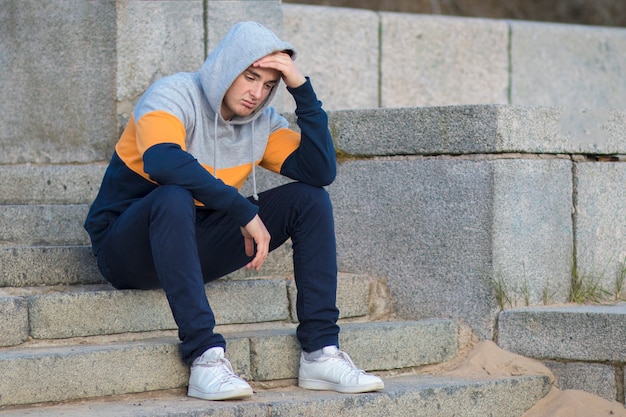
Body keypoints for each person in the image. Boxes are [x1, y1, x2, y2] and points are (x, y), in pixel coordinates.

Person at [84, 21, 384, 401]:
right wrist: (241, 209)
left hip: (193, 247)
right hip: (127, 250)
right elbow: (163, 161)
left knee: (310, 199)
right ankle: (205, 357)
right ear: (227, 67)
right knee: (173, 195)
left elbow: (319, 171)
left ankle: (320, 352)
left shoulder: (260, 125)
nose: (256, 94)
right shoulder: (172, 95)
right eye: (250, 77)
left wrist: (301, 89)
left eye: (268, 85)